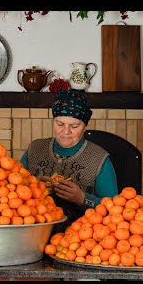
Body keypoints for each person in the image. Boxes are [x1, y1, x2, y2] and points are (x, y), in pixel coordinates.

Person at [20, 89, 118, 232]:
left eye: (74, 126)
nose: (66, 131)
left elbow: (115, 209)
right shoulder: (35, 149)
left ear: (85, 126)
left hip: (78, 239)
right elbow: (11, 189)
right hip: (32, 233)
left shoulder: (99, 159)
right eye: (59, 124)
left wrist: (82, 199)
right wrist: (33, 187)